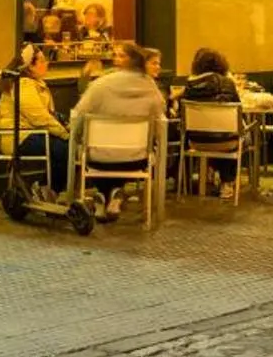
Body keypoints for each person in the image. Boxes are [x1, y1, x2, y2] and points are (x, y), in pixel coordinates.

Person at [71, 39, 166, 221]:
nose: (115, 59)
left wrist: (77, 139)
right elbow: (159, 120)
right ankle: (114, 194)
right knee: (123, 149)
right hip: (136, 159)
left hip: (98, 158)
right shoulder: (151, 88)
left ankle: (101, 195)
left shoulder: (100, 85)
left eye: (120, 55)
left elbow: (79, 115)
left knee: (97, 150)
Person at [0, 45, 73, 196]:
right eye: (42, 61)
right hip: (18, 136)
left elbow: (47, 114)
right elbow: (39, 118)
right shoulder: (23, 85)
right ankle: (46, 189)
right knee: (66, 149)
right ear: (29, 66)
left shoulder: (33, 84)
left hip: (31, 132)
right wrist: (65, 134)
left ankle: (47, 188)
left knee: (67, 148)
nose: (47, 64)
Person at [180, 47, 243, 197]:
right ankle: (227, 182)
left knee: (212, 131)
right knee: (237, 134)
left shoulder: (189, 86)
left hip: (196, 142)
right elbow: (238, 109)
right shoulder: (227, 83)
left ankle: (210, 171)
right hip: (226, 143)